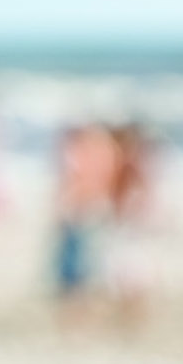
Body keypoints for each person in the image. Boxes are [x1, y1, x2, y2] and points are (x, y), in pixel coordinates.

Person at [52, 123, 119, 323]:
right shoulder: (102, 152)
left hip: (82, 211)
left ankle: (79, 309)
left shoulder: (93, 153)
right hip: (86, 209)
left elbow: (83, 183)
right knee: (80, 262)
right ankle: (79, 307)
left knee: (80, 263)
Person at [107, 121, 156, 324]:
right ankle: (131, 313)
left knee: (128, 270)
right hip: (130, 225)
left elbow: (140, 194)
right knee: (129, 271)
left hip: (129, 226)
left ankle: (132, 314)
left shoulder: (130, 164)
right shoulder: (132, 163)